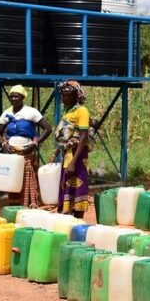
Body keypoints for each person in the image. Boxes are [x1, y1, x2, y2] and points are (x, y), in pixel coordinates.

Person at [0, 85, 52, 208]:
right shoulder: (7, 113)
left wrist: (34, 144)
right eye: (11, 97)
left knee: (28, 181)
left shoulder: (31, 112)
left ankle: (29, 206)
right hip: (12, 154)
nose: (13, 99)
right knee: (13, 181)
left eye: (16, 96)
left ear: (22, 97)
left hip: (27, 153)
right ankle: (14, 207)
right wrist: (4, 144)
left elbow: (48, 129)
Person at [52, 79, 91, 218]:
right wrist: (57, 150)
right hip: (68, 155)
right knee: (66, 186)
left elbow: (83, 137)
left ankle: (78, 220)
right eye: (63, 95)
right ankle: (68, 218)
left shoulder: (82, 111)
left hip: (78, 156)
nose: (65, 98)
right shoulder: (68, 112)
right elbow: (66, 138)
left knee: (78, 188)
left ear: (77, 96)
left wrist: (74, 162)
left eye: (68, 95)